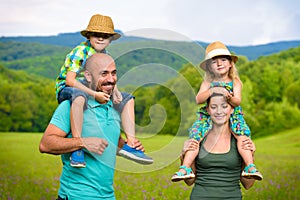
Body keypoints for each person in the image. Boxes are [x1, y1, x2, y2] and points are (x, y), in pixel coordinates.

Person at [55, 14, 153, 167]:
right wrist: (94, 94)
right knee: (79, 96)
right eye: (96, 35)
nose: (101, 39)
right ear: (89, 35)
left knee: (128, 99)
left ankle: (131, 143)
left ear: (110, 39)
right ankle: (77, 147)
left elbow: (108, 77)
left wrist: (116, 92)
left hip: (90, 86)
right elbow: (70, 80)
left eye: (105, 36)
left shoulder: (106, 55)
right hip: (69, 88)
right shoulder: (80, 51)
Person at [40, 53, 133, 199]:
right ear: (88, 76)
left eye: (113, 73)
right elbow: (46, 144)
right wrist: (83, 142)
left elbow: (112, 141)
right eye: (104, 74)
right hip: (76, 195)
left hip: (108, 196)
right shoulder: (71, 105)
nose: (110, 79)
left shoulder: (114, 107)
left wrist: (131, 145)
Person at [172, 41, 262, 181]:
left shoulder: (235, 81)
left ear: (231, 63)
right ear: (209, 68)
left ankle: (250, 166)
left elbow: (238, 101)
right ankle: (185, 167)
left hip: (233, 115)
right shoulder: (207, 83)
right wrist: (213, 90)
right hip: (208, 115)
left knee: (242, 137)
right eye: (214, 62)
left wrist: (230, 98)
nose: (219, 64)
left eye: (223, 60)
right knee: (195, 138)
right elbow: (199, 99)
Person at [183, 92, 257, 199]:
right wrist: (183, 155)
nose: (219, 111)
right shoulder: (199, 139)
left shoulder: (240, 142)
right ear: (208, 110)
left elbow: (248, 184)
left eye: (224, 106)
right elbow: (189, 181)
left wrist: (252, 155)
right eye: (213, 107)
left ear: (232, 109)